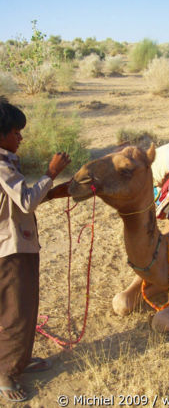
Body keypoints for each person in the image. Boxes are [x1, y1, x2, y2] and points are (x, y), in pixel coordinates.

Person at [0, 97, 71, 402]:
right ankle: (5, 374)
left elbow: (19, 201)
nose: (20, 137)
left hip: (19, 244)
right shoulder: (2, 165)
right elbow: (26, 201)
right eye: (16, 131)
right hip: (11, 249)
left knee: (25, 308)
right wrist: (51, 173)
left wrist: (53, 193)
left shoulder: (7, 164)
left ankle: (18, 358)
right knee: (16, 312)